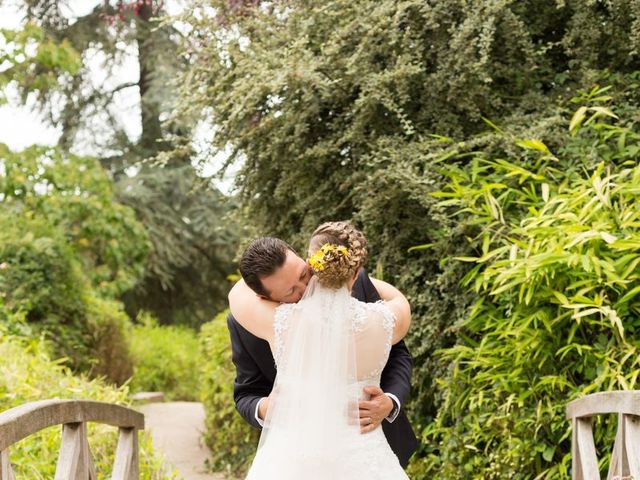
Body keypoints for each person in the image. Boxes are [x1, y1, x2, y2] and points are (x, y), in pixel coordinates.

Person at [227, 221, 416, 478]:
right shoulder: (383, 316)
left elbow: (399, 356)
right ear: (263, 297)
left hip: (368, 444)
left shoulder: (273, 321)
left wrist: (390, 401)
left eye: (305, 274)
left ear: (310, 260)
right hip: (300, 459)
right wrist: (265, 407)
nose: (305, 289)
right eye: (290, 290)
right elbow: (246, 393)